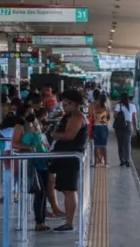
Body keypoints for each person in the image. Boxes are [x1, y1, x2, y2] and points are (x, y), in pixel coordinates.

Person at [51, 89, 88, 232]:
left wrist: (55, 135)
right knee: (67, 190)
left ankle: (69, 223)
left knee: (69, 190)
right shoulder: (72, 115)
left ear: (74, 103)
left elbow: (69, 136)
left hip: (69, 158)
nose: (63, 104)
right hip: (66, 157)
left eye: (66, 102)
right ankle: (68, 220)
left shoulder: (77, 117)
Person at [0, 113, 20, 203]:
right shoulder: (20, 130)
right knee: (17, 175)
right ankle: (15, 193)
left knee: (10, 174)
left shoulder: (6, 130)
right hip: (19, 153)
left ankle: (9, 194)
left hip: (8, 153)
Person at [114, 92, 138, 167]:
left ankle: (122, 161)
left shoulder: (118, 105)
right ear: (128, 98)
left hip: (120, 126)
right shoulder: (132, 106)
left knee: (120, 144)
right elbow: (134, 118)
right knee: (127, 144)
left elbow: (115, 115)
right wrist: (135, 127)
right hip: (129, 125)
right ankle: (128, 161)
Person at [89, 90, 110, 166]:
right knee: (104, 145)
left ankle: (95, 163)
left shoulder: (94, 107)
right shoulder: (106, 107)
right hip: (103, 127)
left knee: (96, 145)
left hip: (96, 127)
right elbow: (108, 117)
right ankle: (106, 163)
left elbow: (91, 116)